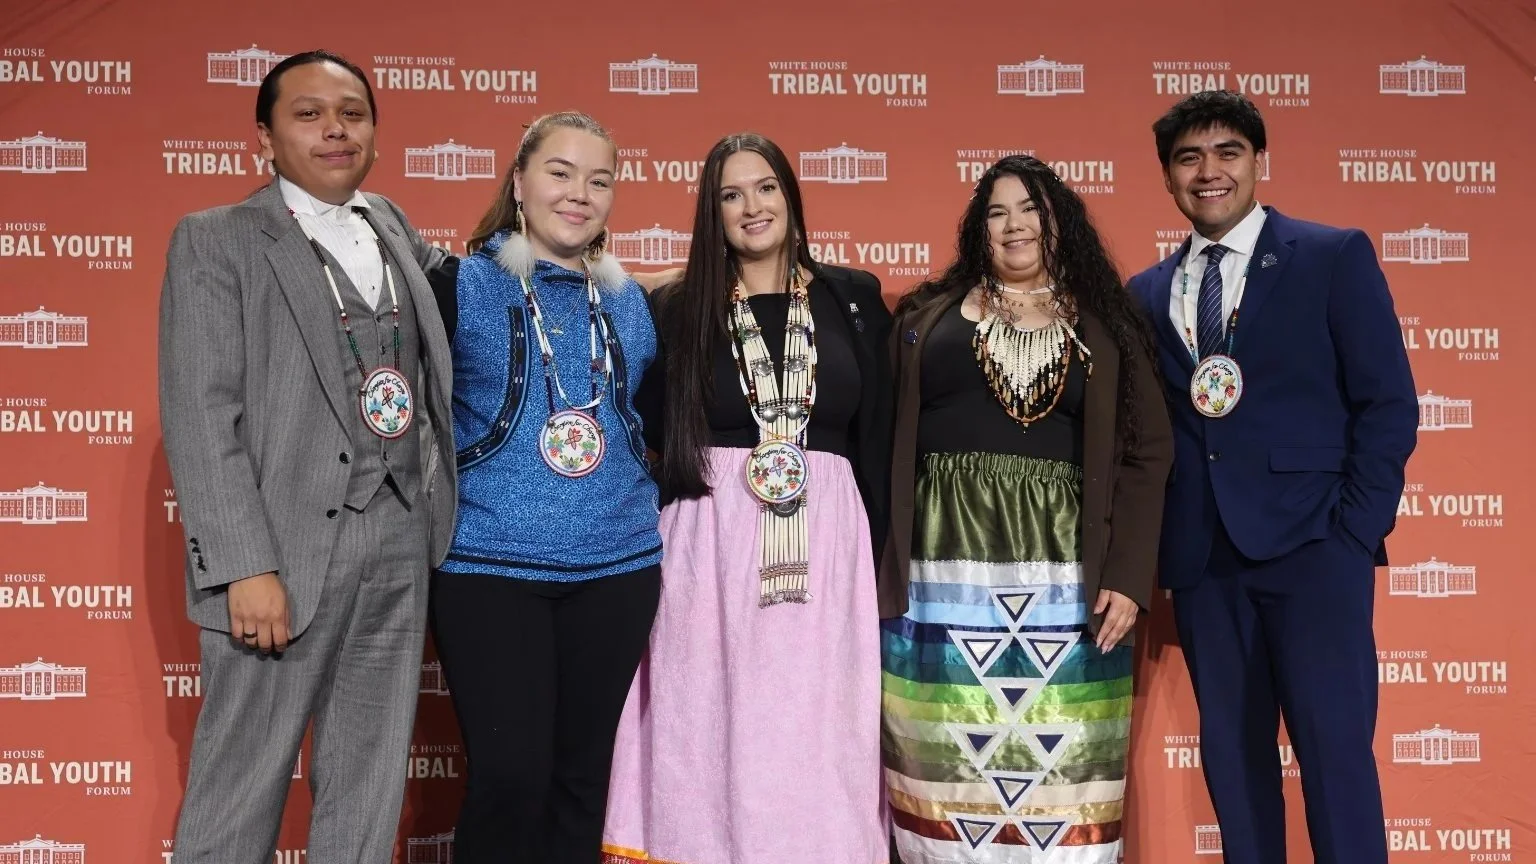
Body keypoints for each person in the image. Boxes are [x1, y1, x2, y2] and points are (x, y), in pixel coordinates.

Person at [158, 50, 455, 864]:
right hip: (278, 556)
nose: (335, 130)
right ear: (265, 137)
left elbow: (492, 284)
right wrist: (243, 566)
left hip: (399, 540)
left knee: (368, 787)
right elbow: (201, 415)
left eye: (352, 114)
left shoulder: (391, 224)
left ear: (375, 134)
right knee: (239, 787)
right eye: (309, 114)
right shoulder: (215, 239)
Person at [1126, 91, 1417, 864]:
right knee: (1235, 769)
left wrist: (1354, 533)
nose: (1208, 172)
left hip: (1315, 547)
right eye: (1188, 158)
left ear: (1259, 161)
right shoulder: (1147, 293)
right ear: (1167, 175)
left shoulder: (1330, 256)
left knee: (1335, 760)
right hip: (1204, 562)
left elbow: (1388, 402)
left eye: (1227, 152)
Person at [600, 132, 893, 864]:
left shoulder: (852, 297)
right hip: (709, 542)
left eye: (765, 187)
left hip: (828, 545)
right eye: (731, 194)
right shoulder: (676, 307)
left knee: (818, 726)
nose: (751, 206)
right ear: (713, 211)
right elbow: (645, 423)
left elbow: (881, 431)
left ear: (791, 196)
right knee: (705, 718)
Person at [880, 154, 1172, 864]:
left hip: (1066, 575)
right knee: (945, 757)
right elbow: (877, 434)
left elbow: (1148, 452)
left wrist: (1128, 576)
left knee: (1061, 768)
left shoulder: (1106, 325)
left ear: (1059, 221)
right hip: (940, 570)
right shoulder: (925, 316)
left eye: (1030, 208)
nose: (1014, 225)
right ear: (977, 229)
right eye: (997, 211)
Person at [424, 111, 662, 864]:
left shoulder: (629, 301)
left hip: (618, 569)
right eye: (560, 173)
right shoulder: (458, 286)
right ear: (520, 182)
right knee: (510, 778)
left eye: (599, 180)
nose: (579, 193)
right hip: (489, 569)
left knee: (581, 783)